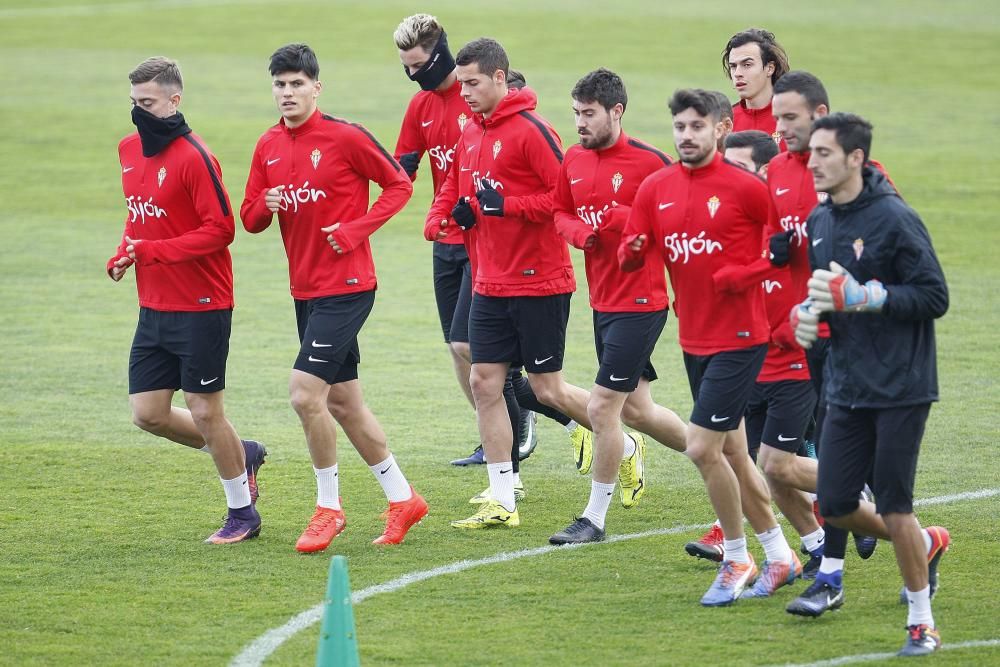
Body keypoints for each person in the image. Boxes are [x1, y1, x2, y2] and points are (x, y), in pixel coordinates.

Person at [240, 43, 427, 552]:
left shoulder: (344, 137)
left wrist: (356, 229)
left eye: (297, 84)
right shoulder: (267, 146)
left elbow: (399, 185)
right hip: (306, 292)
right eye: (280, 84)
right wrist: (264, 203)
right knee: (344, 402)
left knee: (305, 396)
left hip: (347, 289)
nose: (287, 92)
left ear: (316, 88)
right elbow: (250, 220)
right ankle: (403, 497)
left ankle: (329, 508)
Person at [620, 89, 799, 605]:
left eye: (697, 126)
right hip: (693, 338)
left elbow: (784, 254)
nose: (686, 136)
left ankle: (738, 556)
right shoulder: (656, 188)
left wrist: (744, 274)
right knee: (737, 455)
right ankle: (782, 555)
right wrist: (634, 253)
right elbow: (637, 256)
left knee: (702, 447)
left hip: (742, 338)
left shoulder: (746, 188)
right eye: (679, 127)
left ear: (720, 128)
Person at [791, 112, 950, 656]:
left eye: (824, 154)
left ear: (855, 158)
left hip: (902, 386)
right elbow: (828, 303)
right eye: (811, 153)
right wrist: (808, 320)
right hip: (846, 384)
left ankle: (920, 621)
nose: (812, 162)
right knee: (834, 503)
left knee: (896, 505)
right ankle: (924, 544)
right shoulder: (820, 221)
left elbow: (934, 296)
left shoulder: (895, 219)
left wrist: (869, 296)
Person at [426, 37, 584, 528]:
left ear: (500, 78)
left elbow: (564, 202)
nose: (465, 92)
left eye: (473, 83)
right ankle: (502, 497)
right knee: (485, 380)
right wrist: (442, 217)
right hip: (490, 281)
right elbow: (455, 186)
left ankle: (619, 438)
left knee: (547, 388)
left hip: (538, 282)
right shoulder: (470, 133)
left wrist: (507, 206)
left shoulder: (534, 132)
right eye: (461, 83)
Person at [107, 56, 266, 545]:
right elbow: (140, 216)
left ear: (174, 101)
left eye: (147, 103)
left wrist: (152, 251)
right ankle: (243, 452)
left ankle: (242, 514)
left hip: (202, 304)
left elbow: (221, 230)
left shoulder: (196, 157)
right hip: (153, 305)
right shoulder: (128, 150)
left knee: (203, 410)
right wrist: (126, 251)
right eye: (133, 102)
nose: (138, 112)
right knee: (148, 414)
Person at [754, 71, 880, 616]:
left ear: (820, 113)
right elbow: (765, 239)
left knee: (826, 457)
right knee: (795, 464)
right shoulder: (777, 172)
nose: (779, 129)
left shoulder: (861, 176)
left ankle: (832, 573)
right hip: (806, 338)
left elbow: (885, 246)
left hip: (858, 339)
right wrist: (775, 248)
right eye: (776, 118)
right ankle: (885, 539)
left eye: (790, 119)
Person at [549, 68, 687, 544]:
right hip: (603, 302)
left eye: (588, 114)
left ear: (616, 111)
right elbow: (559, 211)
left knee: (603, 406)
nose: (580, 123)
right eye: (576, 114)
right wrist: (580, 234)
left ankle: (594, 518)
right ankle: (722, 456)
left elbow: (681, 223)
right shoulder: (573, 160)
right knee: (640, 412)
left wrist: (631, 220)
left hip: (642, 302)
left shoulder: (651, 163)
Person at [722, 28, 789, 148]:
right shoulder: (726, 123)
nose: (737, 73)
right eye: (733, 66)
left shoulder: (792, 119)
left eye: (747, 65)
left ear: (770, 68)